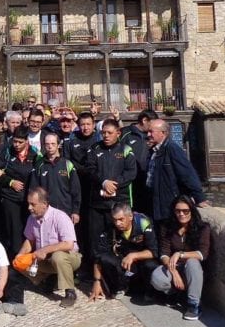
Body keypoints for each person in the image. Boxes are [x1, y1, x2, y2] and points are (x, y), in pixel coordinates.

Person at [83, 118, 137, 276]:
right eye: (103, 133)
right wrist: (103, 182)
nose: (106, 136)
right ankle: (96, 275)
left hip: (119, 203)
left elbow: (131, 173)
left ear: (118, 133)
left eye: (109, 133)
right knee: (96, 240)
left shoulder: (126, 150)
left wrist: (114, 185)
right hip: (97, 204)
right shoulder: (94, 148)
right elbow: (89, 169)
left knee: (120, 240)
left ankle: (121, 275)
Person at [12, 187, 81, 308]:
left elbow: (68, 244)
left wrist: (44, 250)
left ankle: (70, 292)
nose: (29, 208)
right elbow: (29, 240)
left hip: (70, 258)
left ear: (44, 204)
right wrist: (20, 254)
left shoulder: (60, 217)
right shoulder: (31, 218)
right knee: (19, 262)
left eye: (33, 204)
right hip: (45, 259)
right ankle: (47, 279)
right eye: (28, 204)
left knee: (58, 256)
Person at [151, 195, 212, 320]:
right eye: (178, 211)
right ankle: (175, 294)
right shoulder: (167, 227)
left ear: (192, 211)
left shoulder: (202, 228)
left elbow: (202, 254)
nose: (181, 214)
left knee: (192, 262)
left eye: (185, 211)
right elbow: (163, 253)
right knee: (157, 278)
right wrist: (173, 272)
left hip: (193, 269)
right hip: (174, 266)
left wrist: (180, 254)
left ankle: (194, 304)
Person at [88, 203, 159, 302]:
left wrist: (133, 256)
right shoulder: (110, 228)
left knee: (151, 265)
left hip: (141, 262)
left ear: (130, 216)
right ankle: (120, 288)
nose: (117, 223)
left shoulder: (143, 223)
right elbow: (98, 255)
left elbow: (154, 252)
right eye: (115, 220)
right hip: (122, 264)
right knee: (106, 259)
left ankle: (150, 291)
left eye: (121, 219)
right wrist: (97, 281)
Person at [146, 119, 208, 228]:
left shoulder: (172, 149)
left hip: (168, 205)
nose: (148, 134)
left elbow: (187, 173)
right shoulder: (155, 150)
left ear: (163, 133)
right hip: (156, 204)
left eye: (151, 131)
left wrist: (199, 197)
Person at [0, 127, 39, 255]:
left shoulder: (34, 154)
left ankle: (29, 257)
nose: (16, 145)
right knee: (14, 229)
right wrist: (10, 182)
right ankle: (15, 258)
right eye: (15, 141)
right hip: (10, 197)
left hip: (28, 199)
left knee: (29, 228)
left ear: (26, 141)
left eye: (20, 142)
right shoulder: (7, 152)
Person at [36, 132, 81, 221]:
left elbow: (76, 190)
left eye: (53, 144)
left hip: (65, 210)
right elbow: (34, 190)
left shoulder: (68, 164)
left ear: (58, 145)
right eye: (47, 144)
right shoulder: (39, 165)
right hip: (45, 211)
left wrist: (75, 211)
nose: (50, 146)